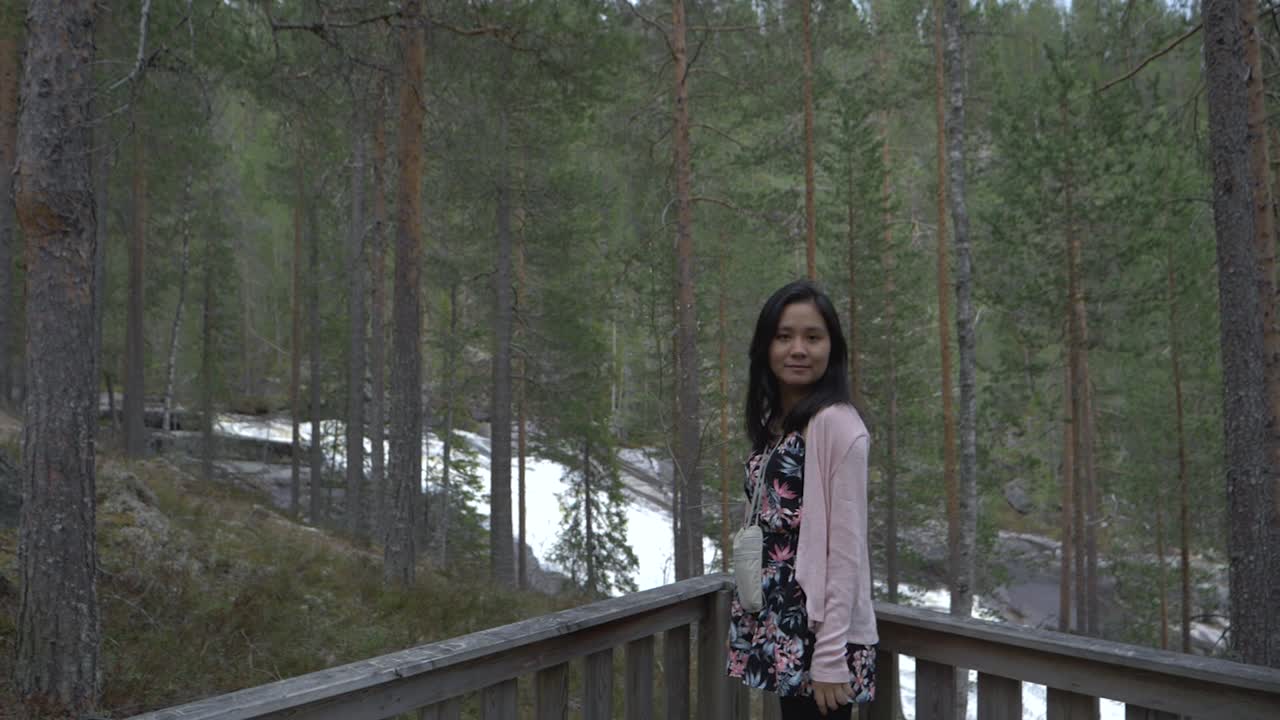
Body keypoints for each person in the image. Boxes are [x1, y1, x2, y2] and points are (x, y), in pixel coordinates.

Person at [726, 280, 878, 719]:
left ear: (832, 348)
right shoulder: (781, 422)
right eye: (784, 336)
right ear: (766, 346)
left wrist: (830, 654)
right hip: (781, 619)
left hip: (818, 631)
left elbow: (846, 549)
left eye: (813, 337)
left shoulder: (838, 426)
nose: (798, 349)